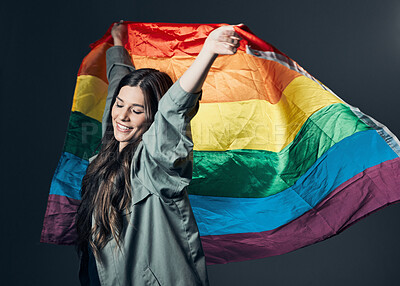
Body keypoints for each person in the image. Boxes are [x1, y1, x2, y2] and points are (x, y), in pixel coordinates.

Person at [75, 20, 241, 286]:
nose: (123, 117)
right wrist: (119, 44)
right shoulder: (107, 151)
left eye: (137, 111)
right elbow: (117, 95)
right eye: (121, 105)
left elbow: (172, 111)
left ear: (152, 120)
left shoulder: (154, 165)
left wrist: (208, 51)